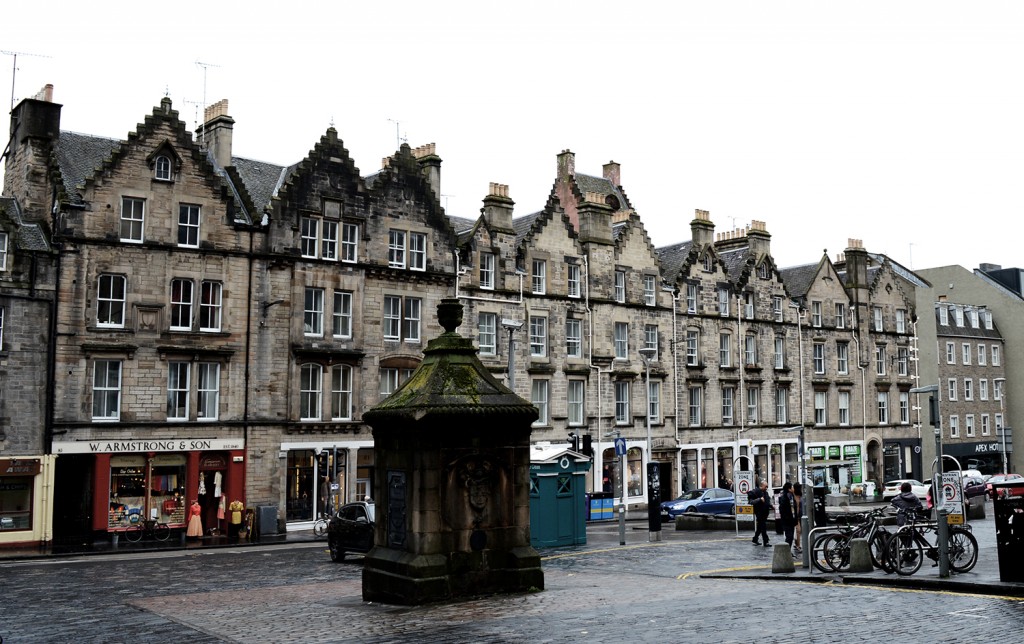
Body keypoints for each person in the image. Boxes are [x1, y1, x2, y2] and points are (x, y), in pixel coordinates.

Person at [748, 480, 773, 547]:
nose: (766, 488)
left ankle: (755, 539)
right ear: (761, 486)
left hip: (765, 513)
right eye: (765, 486)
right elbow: (751, 502)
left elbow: (767, 501)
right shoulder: (755, 492)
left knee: (760, 527)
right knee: (763, 526)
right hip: (759, 512)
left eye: (767, 486)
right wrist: (759, 499)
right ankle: (766, 541)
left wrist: (771, 505)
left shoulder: (765, 493)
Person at [777, 482, 797, 550]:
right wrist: (787, 518)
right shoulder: (784, 498)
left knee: (790, 537)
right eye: (792, 487)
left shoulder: (792, 496)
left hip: (792, 520)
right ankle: (786, 551)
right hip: (787, 520)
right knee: (789, 536)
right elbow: (782, 509)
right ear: (789, 489)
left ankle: (788, 551)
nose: (793, 488)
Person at [793, 483, 804, 553]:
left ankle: (797, 544)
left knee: (798, 531)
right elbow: (797, 507)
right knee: (798, 530)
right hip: (797, 516)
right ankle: (798, 545)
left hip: (800, 515)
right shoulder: (796, 497)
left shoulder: (800, 496)